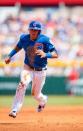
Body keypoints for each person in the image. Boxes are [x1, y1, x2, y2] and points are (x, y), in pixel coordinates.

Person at [5, 20, 58, 118]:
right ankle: (14, 109)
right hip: (27, 68)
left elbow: (56, 54)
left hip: (40, 71)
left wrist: (46, 54)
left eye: (36, 30)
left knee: (35, 95)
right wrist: (10, 56)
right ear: (29, 30)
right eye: (32, 29)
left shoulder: (45, 40)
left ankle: (43, 100)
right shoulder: (24, 38)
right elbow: (18, 47)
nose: (33, 31)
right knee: (22, 85)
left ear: (39, 31)